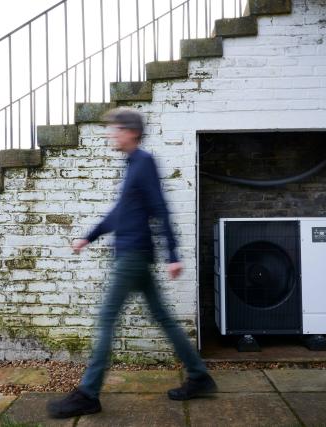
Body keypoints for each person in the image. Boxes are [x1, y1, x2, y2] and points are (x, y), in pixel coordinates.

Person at [46, 108, 217, 419]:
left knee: (107, 318)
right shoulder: (132, 166)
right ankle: (200, 376)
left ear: (131, 132)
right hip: (134, 256)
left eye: (116, 129)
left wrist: (174, 254)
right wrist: (89, 237)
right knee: (163, 318)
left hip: (132, 257)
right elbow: (119, 214)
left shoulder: (144, 163)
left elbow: (160, 208)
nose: (111, 134)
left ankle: (88, 393)